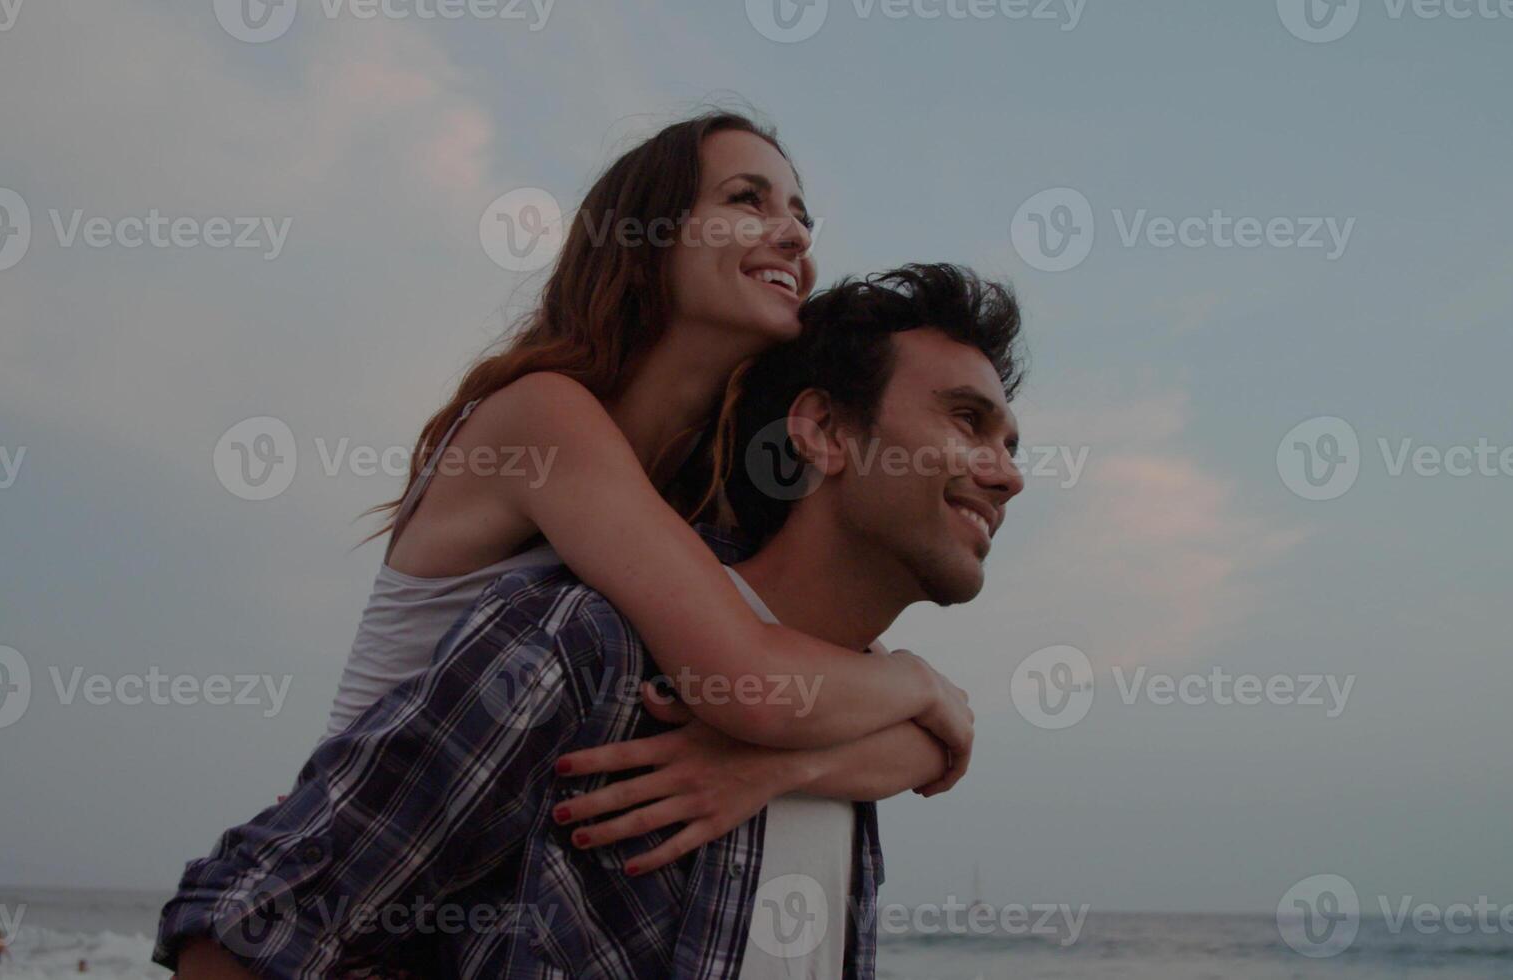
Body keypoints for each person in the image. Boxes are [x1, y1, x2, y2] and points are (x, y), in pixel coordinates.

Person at [154, 263, 1025, 979]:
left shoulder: (871, 716)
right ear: (824, 431)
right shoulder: (585, 652)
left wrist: (808, 752)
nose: (1007, 475)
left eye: (1011, 445)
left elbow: (941, 744)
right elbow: (248, 925)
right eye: (967, 421)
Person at [323, 109, 974, 785]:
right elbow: (762, 687)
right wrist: (917, 680)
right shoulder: (541, 417)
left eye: (802, 219)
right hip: (353, 855)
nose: (794, 237)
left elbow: (928, 748)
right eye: (747, 200)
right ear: (649, 238)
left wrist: (771, 771)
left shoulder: (710, 478)